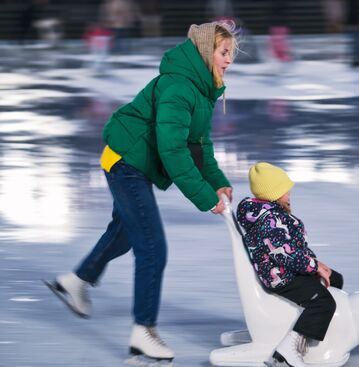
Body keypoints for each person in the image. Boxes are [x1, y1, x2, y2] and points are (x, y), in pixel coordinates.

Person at [44, 21, 238, 362]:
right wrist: (206, 199)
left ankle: (76, 281)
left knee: (126, 233)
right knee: (152, 247)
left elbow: (199, 145)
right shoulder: (179, 86)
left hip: (135, 161)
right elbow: (173, 150)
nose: (228, 61)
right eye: (224, 53)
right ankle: (142, 333)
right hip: (125, 161)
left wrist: (216, 180)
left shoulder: (203, 90)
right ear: (208, 52)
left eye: (230, 55)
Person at [236, 162, 344, 367]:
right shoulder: (269, 220)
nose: (289, 194)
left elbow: (293, 248)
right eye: (285, 191)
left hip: (287, 269)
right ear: (273, 194)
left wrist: (317, 264)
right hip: (282, 276)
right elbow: (285, 255)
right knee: (323, 302)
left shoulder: (269, 214)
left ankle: (313, 330)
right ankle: (289, 349)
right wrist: (313, 267)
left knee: (336, 278)